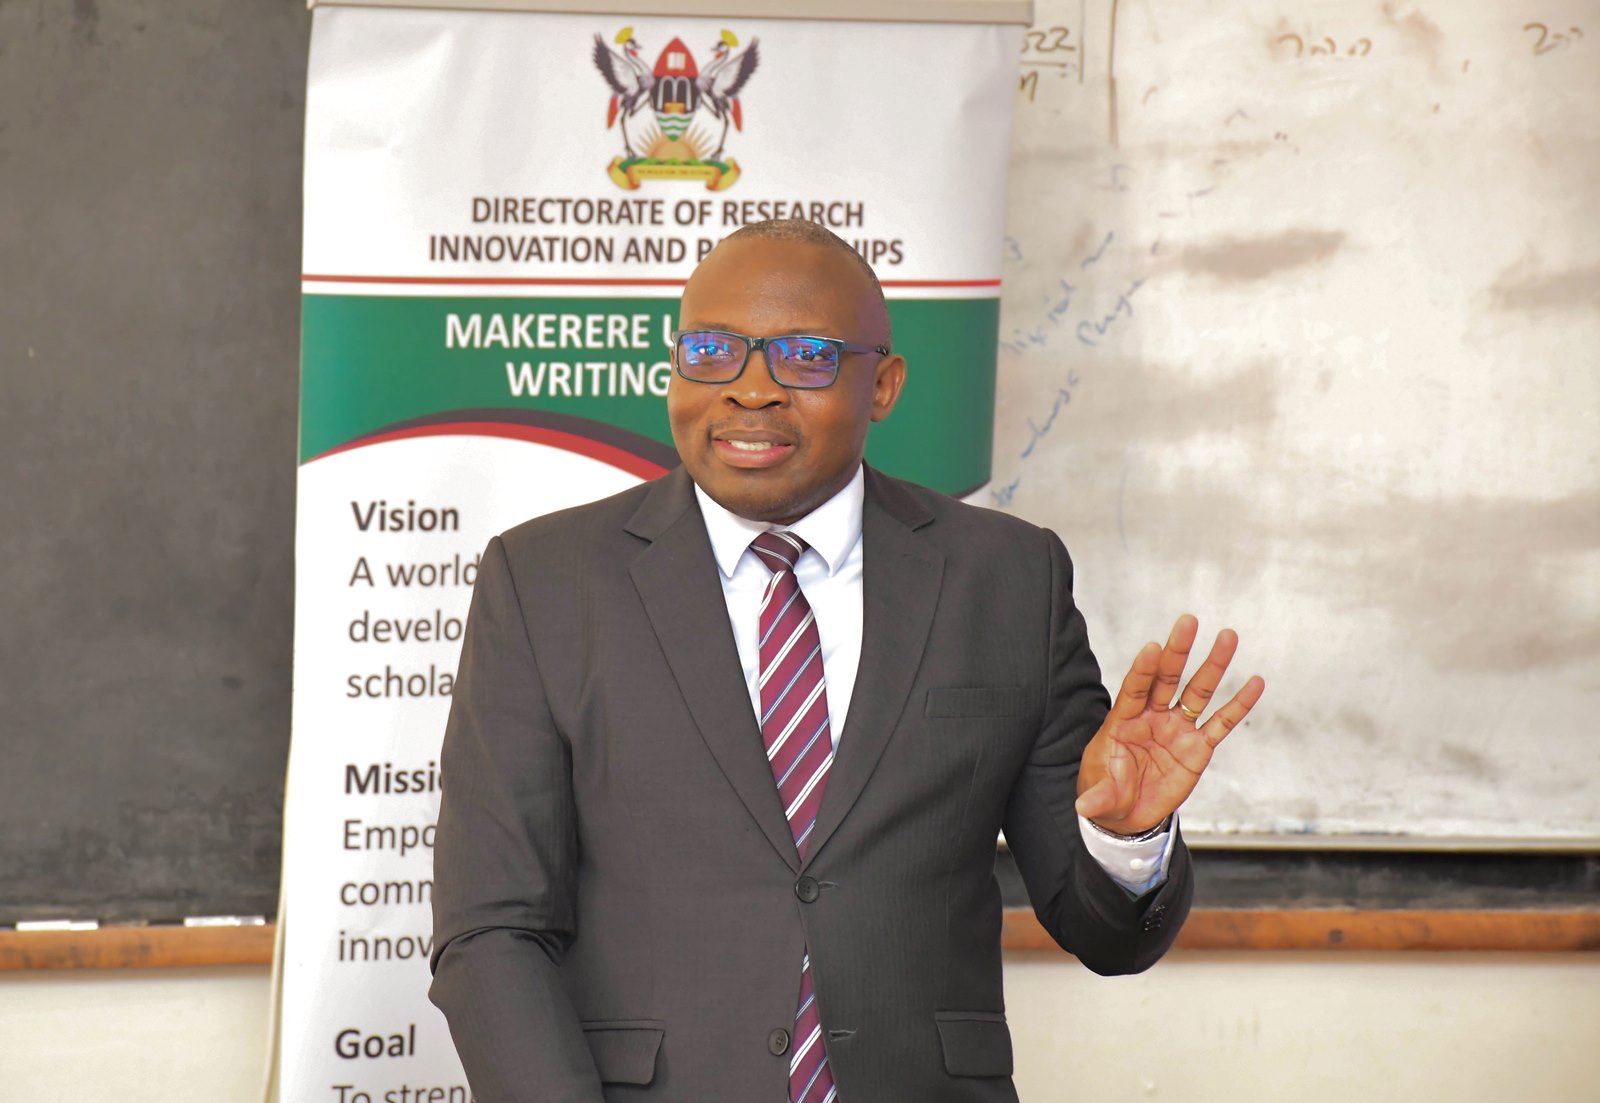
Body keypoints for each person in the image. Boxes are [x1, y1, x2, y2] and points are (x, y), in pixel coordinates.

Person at [429, 219, 1265, 1103]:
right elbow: (491, 927)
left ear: (885, 385)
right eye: (711, 351)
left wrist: (1125, 838)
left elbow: (1109, 934)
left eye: (804, 357)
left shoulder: (1007, 579)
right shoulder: (546, 580)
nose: (750, 391)